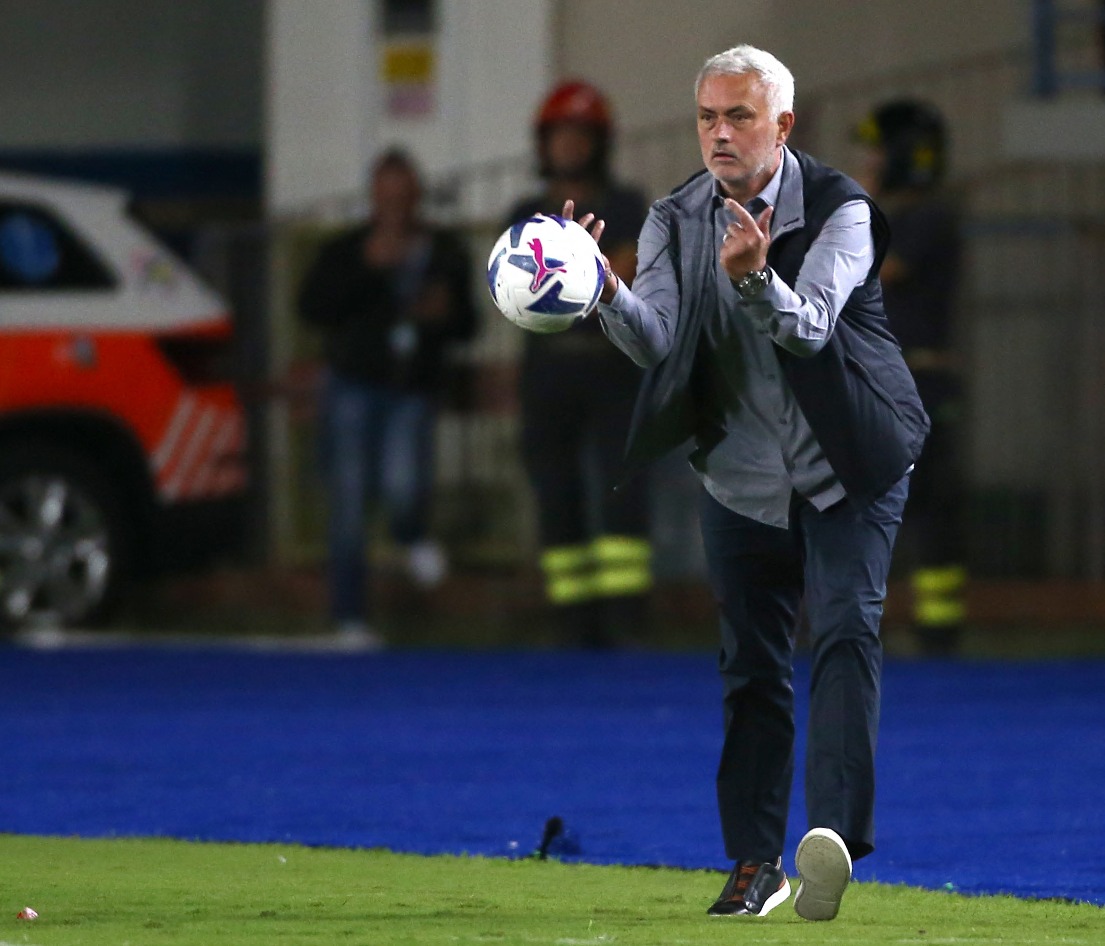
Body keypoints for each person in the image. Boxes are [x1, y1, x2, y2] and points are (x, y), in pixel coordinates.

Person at [569, 46, 928, 919]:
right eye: (706, 117)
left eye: (738, 117)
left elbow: (806, 331)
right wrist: (602, 290)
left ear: (784, 127)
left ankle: (832, 842)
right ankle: (754, 864)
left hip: (851, 461)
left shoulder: (843, 209)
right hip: (738, 472)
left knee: (845, 629)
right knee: (749, 667)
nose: (718, 134)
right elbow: (656, 341)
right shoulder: (672, 217)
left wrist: (756, 278)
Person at [297, 147, 480, 648]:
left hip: (412, 388)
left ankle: (409, 534)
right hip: (352, 385)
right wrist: (367, 269)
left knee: (404, 485)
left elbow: (468, 323)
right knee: (350, 501)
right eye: (386, 197)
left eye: (404, 197)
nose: (395, 206)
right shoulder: (346, 249)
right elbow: (312, 307)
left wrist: (443, 316)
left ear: (417, 198)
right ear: (373, 199)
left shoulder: (444, 251)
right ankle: (350, 617)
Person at [505, 81, 652, 648]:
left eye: (580, 134)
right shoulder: (524, 211)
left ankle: (627, 619)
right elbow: (517, 290)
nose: (569, 146)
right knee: (555, 491)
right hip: (548, 371)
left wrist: (566, 273)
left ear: (600, 142)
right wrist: (588, 268)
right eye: (558, 134)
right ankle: (573, 621)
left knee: (622, 489)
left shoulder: (626, 206)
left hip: (615, 366)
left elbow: (632, 269)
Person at [856, 99, 968, 656]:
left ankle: (939, 630)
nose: (870, 162)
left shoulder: (929, 218)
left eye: (879, 152)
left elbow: (877, 268)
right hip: (880, 382)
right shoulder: (898, 217)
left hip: (920, 382)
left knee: (929, 505)